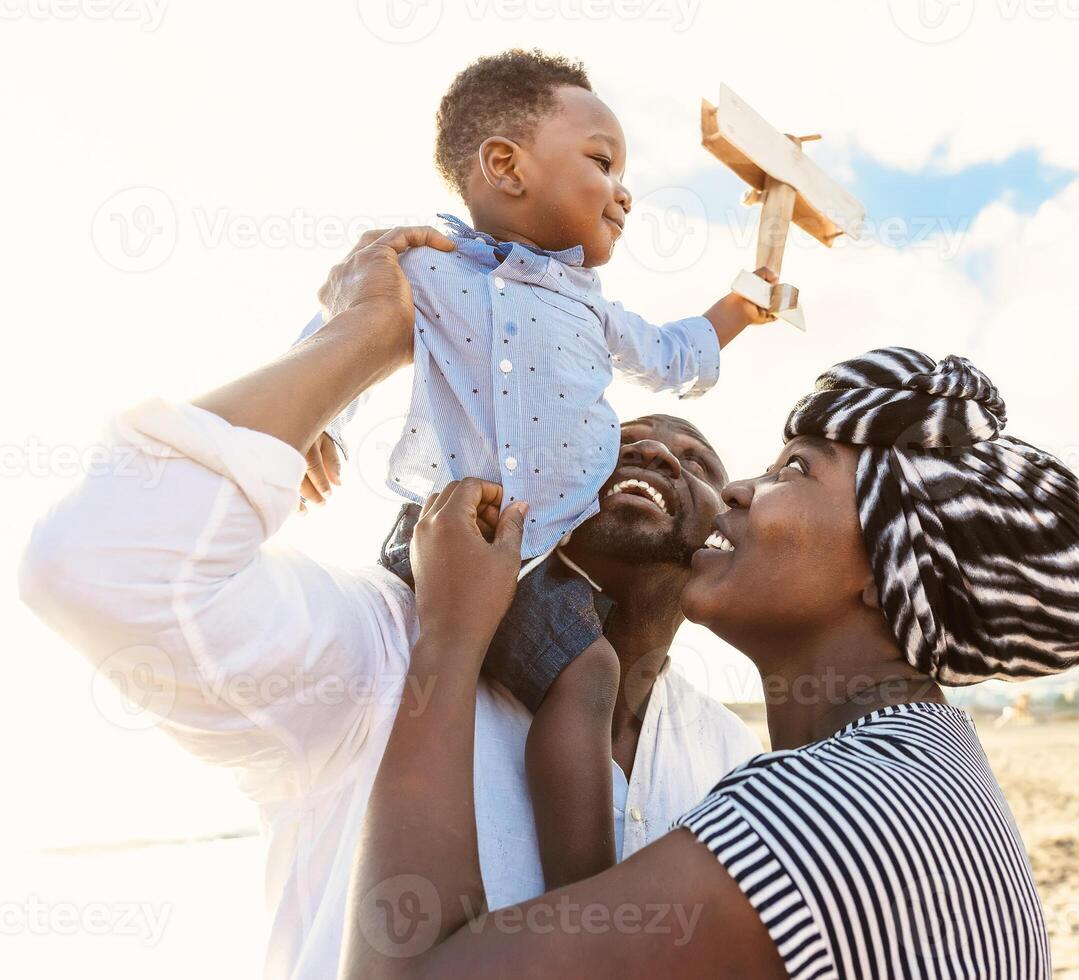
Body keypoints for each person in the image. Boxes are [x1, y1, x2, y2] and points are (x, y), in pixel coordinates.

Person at [17, 227, 761, 980]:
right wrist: (361, 339)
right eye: (617, 438)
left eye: (697, 461)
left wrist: (740, 304)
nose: (657, 452)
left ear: (723, 527)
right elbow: (96, 563)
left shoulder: (732, 759)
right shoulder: (376, 643)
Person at [342, 347, 1079, 977]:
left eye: (796, 470)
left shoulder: (833, 817)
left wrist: (450, 640)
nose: (737, 492)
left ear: (888, 566)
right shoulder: (922, 772)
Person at [293, 48, 771, 891]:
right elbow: (349, 325)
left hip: (539, 549)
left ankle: (572, 881)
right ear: (506, 167)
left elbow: (669, 355)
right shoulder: (429, 266)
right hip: (457, 533)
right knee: (587, 674)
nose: (624, 190)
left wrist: (735, 309)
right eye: (602, 161)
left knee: (590, 665)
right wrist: (312, 423)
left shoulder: (587, 304)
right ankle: (587, 898)